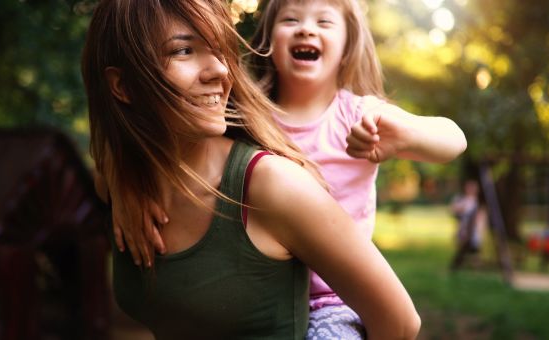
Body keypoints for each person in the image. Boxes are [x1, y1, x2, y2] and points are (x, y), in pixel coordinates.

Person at [83, 0, 420, 339]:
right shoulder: (121, 180)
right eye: (184, 50)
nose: (220, 70)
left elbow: (401, 324)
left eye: (218, 50)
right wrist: (122, 178)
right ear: (122, 87)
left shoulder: (273, 186)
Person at [245, 0, 467, 337]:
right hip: (257, 296)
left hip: (334, 301)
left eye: (324, 22)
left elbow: (454, 139)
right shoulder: (249, 117)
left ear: (347, 48)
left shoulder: (361, 116)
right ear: (268, 41)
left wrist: (403, 135)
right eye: (291, 19)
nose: (306, 28)